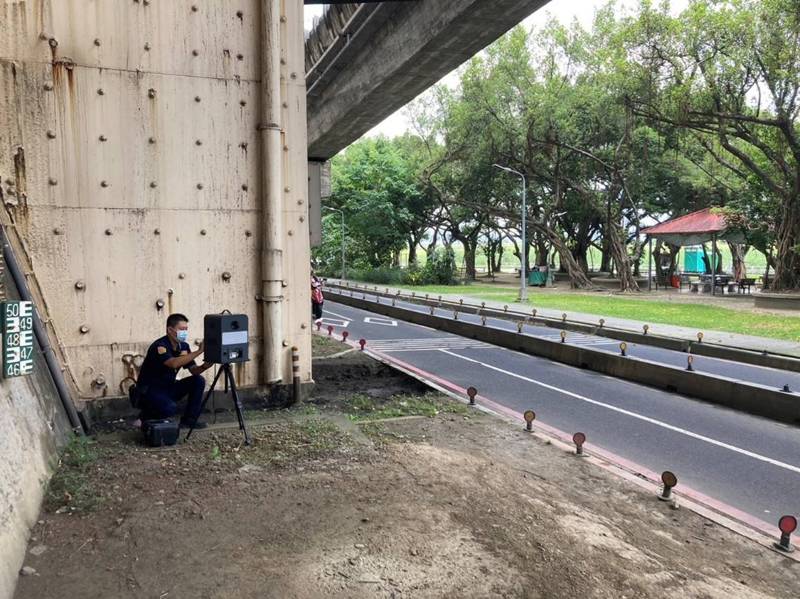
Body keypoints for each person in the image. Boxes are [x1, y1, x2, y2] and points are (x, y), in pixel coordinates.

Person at [136, 313, 214, 429]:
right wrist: (199, 351)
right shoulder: (160, 346)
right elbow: (173, 363)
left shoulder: (183, 346)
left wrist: (205, 366)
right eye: (181, 329)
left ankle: (189, 420)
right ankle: (145, 417)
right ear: (170, 330)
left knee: (198, 380)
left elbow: (194, 371)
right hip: (150, 390)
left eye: (186, 329)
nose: (185, 332)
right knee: (170, 408)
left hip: (169, 387)